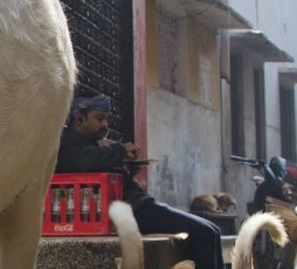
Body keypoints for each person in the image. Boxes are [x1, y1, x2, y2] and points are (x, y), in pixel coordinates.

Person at [56, 95, 221, 269]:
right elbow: (84, 161)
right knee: (205, 232)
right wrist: (120, 150)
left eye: (106, 118)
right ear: (80, 119)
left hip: (136, 205)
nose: (105, 124)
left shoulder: (88, 144)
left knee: (213, 230)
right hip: (130, 210)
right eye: (99, 118)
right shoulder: (66, 142)